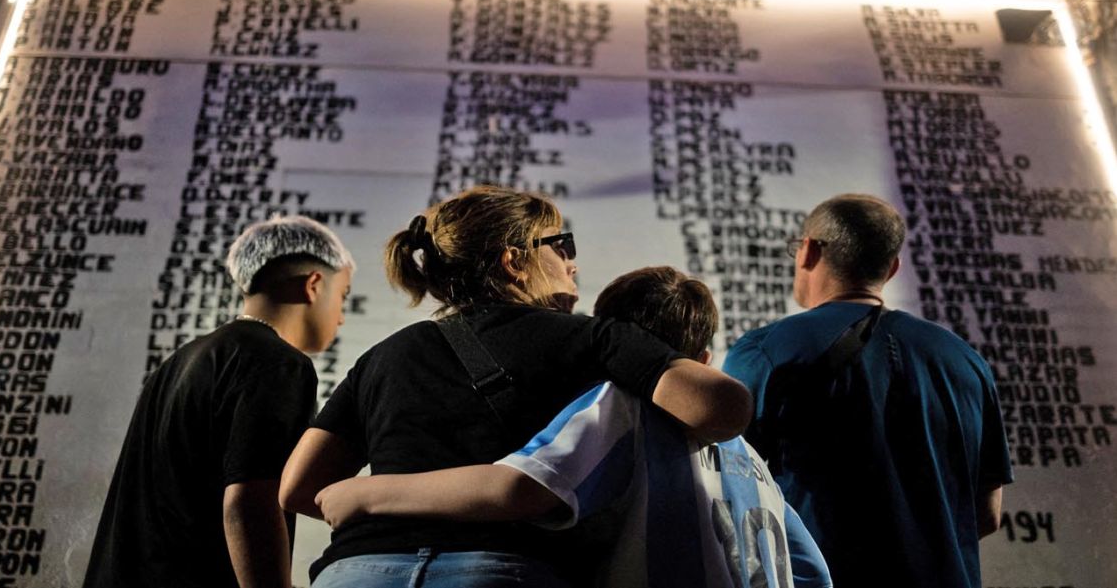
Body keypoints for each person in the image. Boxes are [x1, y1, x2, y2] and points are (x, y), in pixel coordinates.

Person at [280, 186, 752, 588]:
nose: (572, 261)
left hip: (357, 571)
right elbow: (723, 406)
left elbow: (299, 488)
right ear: (514, 261)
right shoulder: (591, 338)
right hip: (504, 569)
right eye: (561, 245)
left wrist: (376, 500)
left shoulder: (384, 355)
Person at [311, 266, 833, 588]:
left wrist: (364, 495)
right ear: (702, 356)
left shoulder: (619, 407)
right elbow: (813, 573)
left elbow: (521, 486)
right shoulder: (749, 457)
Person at [722, 194, 1013, 588]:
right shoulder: (966, 362)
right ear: (892, 268)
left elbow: (731, 494)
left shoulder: (765, 352)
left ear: (807, 251)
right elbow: (987, 514)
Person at [84, 215, 354, 588]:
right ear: (313, 285)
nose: (340, 318)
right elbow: (248, 502)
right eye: (343, 296)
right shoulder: (279, 363)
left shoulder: (180, 361)